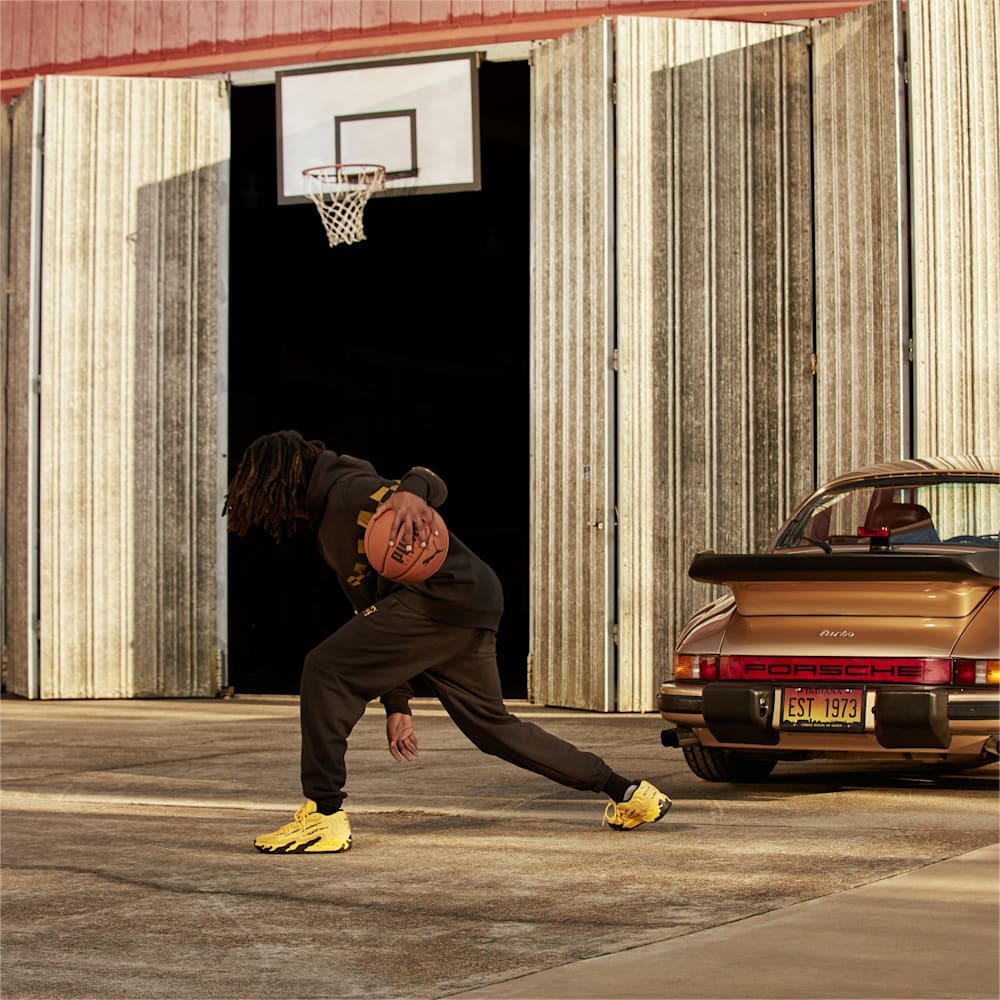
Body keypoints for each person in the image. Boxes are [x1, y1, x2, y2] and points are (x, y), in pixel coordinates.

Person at [223, 430, 671, 854]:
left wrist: (411, 492)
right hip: (469, 601)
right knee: (492, 728)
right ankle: (628, 791)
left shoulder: (348, 493)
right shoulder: (332, 518)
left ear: (282, 482)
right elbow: (371, 610)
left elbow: (427, 478)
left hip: (441, 598)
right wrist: (398, 703)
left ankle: (324, 814)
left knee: (325, 669)